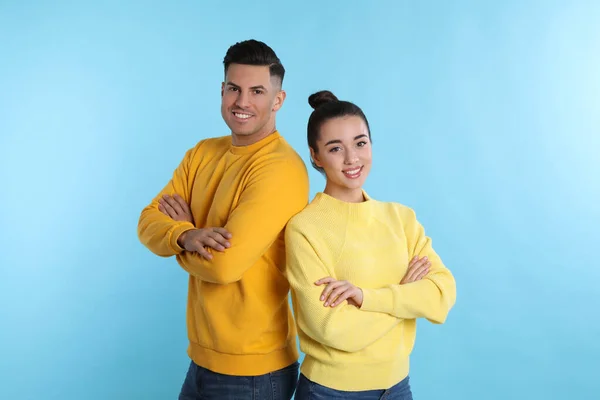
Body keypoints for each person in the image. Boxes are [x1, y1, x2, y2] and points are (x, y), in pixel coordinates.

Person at [137, 39, 309, 400]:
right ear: (222, 90)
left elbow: (224, 266)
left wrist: (176, 239)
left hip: (255, 370)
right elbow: (147, 222)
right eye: (234, 88)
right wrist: (187, 235)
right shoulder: (202, 153)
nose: (242, 102)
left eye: (257, 91)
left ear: (278, 101)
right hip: (201, 358)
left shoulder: (281, 168)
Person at [284, 90, 457, 399]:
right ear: (315, 155)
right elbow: (332, 328)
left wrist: (365, 298)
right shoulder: (305, 228)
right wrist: (405, 295)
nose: (352, 159)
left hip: (397, 387)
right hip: (330, 391)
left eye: (360, 143)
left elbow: (442, 295)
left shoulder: (401, 218)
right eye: (335, 148)